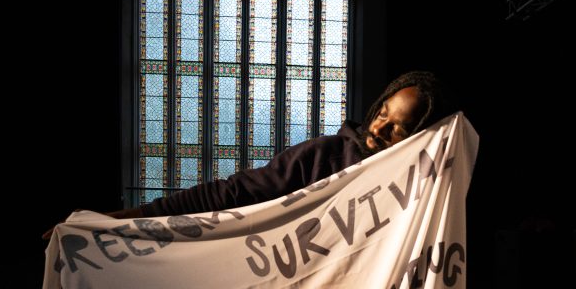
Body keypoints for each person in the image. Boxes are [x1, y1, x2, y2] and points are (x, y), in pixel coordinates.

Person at [42, 71, 444, 238]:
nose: (377, 128)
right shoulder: (323, 157)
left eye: (397, 128)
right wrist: (114, 223)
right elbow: (229, 196)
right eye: (382, 113)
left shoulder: (421, 194)